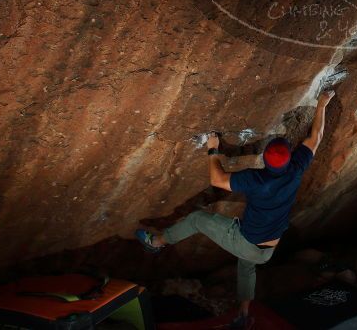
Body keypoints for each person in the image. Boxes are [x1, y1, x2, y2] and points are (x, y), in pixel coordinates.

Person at [135, 90, 336, 329]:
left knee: (198, 219)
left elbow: (217, 180)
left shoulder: (257, 179)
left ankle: (156, 242)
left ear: (267, 161)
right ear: (288, 158)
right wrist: (322, 105)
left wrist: (213, 149)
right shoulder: (295, 170)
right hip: (268, 249)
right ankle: (243, 313)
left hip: (248, 241)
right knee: (246, 262)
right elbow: (317, 136)